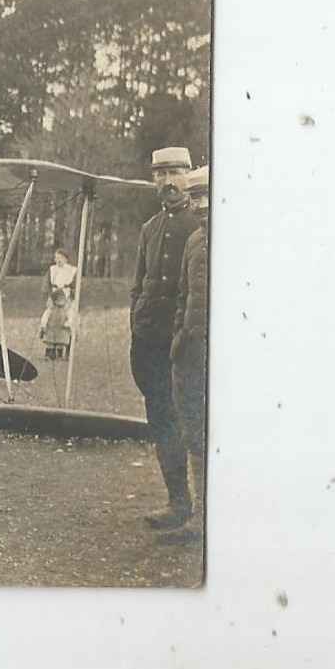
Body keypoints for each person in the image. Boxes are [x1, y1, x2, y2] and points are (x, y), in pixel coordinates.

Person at [129, 146, 201, 531]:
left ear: (188, 176)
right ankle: (178, 501)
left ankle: (203, 508)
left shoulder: (201, 224)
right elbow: (138, 284)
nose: (167, 182)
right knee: (161, 419)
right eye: (160, 174)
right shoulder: (149, 228)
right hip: (150, 340)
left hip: (186, 342)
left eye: (174, 173)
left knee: (192, 420)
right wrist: (135, 325)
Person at [160, 165, 210, 546]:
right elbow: (182, 296)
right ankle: (199, 519)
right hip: (190, 354)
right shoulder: (194, 241)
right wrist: (179, 335)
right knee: (193, 431)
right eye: (198, 199)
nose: (204, 206)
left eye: (210, 196)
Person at [38, 247, 78, 360]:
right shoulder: (52, 270)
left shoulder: (72, 270)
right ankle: (50, 350)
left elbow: (76, 287)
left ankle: (63, 350)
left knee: (67, 320)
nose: (58, 260)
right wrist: (48, 296)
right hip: (54, 296)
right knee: (49, 319)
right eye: (56, 258)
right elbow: (46, 285)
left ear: (66, 259)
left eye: (61, 258)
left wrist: (70, 298)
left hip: (67, 297)